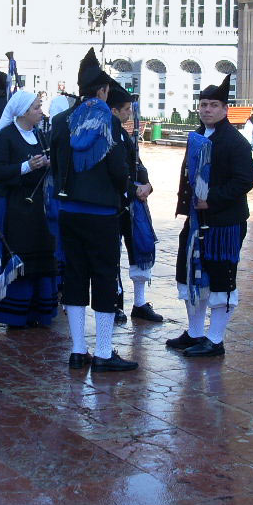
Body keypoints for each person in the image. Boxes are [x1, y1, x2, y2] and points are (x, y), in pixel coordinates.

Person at [50, 49, 135, 371]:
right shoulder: (109, 122)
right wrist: (124, 189)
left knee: (74, 275)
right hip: (101, 212)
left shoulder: (61, 121)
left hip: (68, 209)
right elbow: (118, 168)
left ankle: (76, 349)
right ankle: (102, 351)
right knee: (102, 277)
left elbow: (56, 166)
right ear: (101, 92)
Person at [167, 75, 253, 358]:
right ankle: (195, 332)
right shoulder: (197, 135)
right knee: (191, 274)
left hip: (224, 223)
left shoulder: (236, 142)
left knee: (221, 279)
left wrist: (211, 199)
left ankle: (215, 340)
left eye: (213, 105)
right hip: (195, 221)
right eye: (203, 104)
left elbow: (244, 182)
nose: (206, 110)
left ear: (225, 109)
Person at [0, 90, 61, 332]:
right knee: (21, 260)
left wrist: (47, 164)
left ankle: (38, 311)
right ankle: (17, 314)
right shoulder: (5, 136)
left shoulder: (39, 135)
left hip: (38, 208)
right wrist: (27, 166)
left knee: (41, 257)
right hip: (16, 207)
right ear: (24, 111)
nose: (41, 111)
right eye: (37, 107)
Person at [108, 82, 162, 324]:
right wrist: (132, 189)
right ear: (114, 110)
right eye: (126, 108)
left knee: (139, 247)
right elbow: (113, 172)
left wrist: (147, 184)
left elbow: (137, 163)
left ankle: (139, 303)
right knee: (112, 255)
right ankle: (114, 303)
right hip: (115, 203)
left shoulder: (125, 133)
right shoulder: (107, 134)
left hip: (134, 203)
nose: (130, 112)